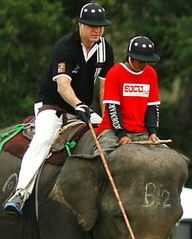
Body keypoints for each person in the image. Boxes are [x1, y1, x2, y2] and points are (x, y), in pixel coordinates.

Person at [3, 3, 114, 215]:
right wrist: (79, 105)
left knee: (109, 137)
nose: (97, 31)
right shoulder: (65, 46)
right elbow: (63, 85)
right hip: (52, 106)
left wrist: (108, 116)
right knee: (44, 138)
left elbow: (104, 88)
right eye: (92, 26)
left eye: (100, 27)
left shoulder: (104, 49)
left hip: (82, 108)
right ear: (80, 25)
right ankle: (20, 194)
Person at [97, 35, 161, 146]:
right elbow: (112, 107)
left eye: (147, 61)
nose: (144, 65)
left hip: (141, 132)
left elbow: (153, 107)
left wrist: (152, 132)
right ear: (130, 57)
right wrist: (121, 134)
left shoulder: (151, 73)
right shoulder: (115, 73)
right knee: (106, 153)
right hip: (112, 131)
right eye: (141, 61)